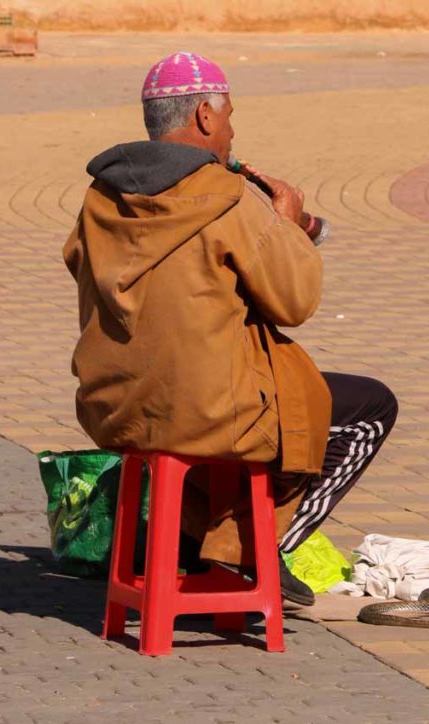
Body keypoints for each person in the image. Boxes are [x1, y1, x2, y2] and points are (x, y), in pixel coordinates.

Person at [63, 52, 397, 606]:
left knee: (219, 392)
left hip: (112, 407)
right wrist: (286, 226)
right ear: (205, 118)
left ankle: (199, 541)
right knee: (365, 407)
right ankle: (259, 549)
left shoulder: (99, 199)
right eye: (231, 116)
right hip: (207, 414)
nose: (232, 131)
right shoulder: (231, 198)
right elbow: (295, 302)